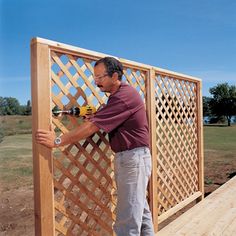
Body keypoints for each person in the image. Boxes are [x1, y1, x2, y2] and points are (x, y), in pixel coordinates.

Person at [36, 57, 155, 236]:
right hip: (133, 159)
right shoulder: (118, 97)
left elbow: (92, 127)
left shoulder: (123, 97)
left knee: (127, 221)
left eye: (100, 77)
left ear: (115, 76)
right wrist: (97, 114)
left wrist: (57, 141)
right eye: (95, 77)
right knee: (140, 212)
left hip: (133, 160)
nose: (96, 81)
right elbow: (102, 119)